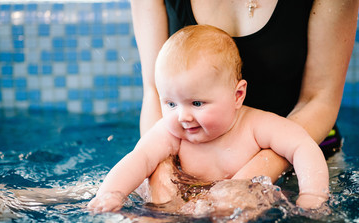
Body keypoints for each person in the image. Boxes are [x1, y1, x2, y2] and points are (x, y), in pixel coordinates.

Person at [88, 25, 329, 213]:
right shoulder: (171, 134)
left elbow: (302, 146)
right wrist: (113, 193)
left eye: (197, 103)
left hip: (239, 211)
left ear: (237, 95)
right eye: (170, 104)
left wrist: (312, 196)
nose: (183, 116)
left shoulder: (256, 126)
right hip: (182, 208)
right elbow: (139, 159)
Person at [130, 0, 359, 182]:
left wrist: (253, 178)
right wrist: (162, 175)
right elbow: (154, 90)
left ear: (240, 94)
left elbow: (320, 98)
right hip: (193, 160)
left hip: (302, 153)